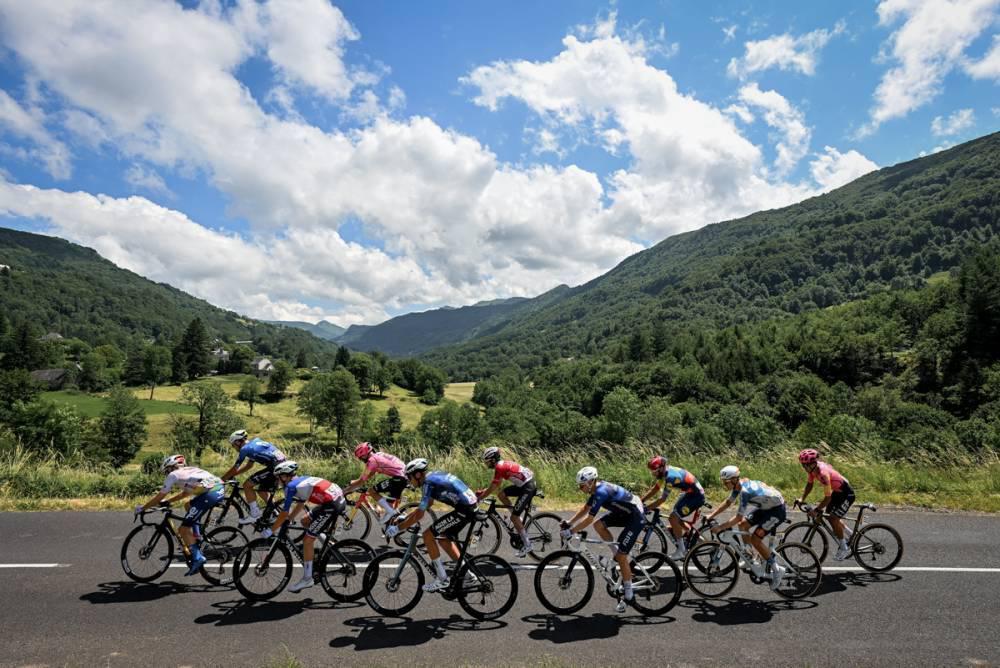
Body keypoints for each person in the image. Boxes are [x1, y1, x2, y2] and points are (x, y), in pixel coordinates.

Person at [385, 459, 478, 593]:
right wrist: (407, 518)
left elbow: (419, 515)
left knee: (428, 535)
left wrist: (398, 528)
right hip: (469, 507)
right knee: (444, 539)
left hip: (464, 510)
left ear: (417, 475)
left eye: (409, 478)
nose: (409, 481)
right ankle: (468, 575)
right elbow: (427, 504)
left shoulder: (427, 484)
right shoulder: (432, 478)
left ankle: (442, 579)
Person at [561, 466, 644, 613]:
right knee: (599, 525)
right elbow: (585, 509)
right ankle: (615, 557)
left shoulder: (601, 492)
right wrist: (570, 522)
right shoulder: (595, 490)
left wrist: (571, 531)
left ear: (591, 482)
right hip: (624, 512)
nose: (580, 488)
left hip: (635, 516)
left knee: (622, 556)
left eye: (582, 485)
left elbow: (588, 518)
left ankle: (629, 594)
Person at [135, 454, 225, 576]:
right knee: (188, 506)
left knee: (183, 529)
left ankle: (198, 558)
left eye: (166, 471)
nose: (167, 474)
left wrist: (143, 508)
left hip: (210, 494)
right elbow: (185, 494)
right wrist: (168, 501)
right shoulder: (189, 471)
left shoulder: (174, 474)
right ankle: (197, 536)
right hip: (218, 489)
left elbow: (160, 496)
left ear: (172, 467)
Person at [266, 461, 346, 593]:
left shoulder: (291, 487)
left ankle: (307, 578)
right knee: (304, 521)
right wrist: (290, 519)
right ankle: (329, 544)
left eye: (278, 477)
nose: (277, 480)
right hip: (334, 499)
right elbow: (301, 503)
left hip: (332, 505)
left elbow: (283, 513)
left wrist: (271, 530)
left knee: (307, 540)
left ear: (285, 476)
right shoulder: (299, 481)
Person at [705, 466, 787, 591]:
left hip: (776, 511)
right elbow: (728, 503)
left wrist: (720, 527)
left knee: (756, 539)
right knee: (743, 525)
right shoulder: (739, 484)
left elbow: (738, 517)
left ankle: (777, 569)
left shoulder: (744, 492)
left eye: (726, 482)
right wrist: (712, 515)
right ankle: (750, 556)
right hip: (766, 507)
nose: (724, 484)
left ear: (733, 480)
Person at [641, 455, 706, 561]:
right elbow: (655, 489)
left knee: (673, 518)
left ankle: (681, 551)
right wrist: (641, 500)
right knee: (676, 516)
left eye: (655, 471)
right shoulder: (664, 473)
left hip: (696, 497)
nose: (653, 474)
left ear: (661, 468)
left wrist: (646, 509)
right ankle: (696, 538)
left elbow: (662, 500)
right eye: (652, 472)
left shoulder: (670, 477)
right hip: (690, 493)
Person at [475, 446, 537, 558]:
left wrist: (481, 497)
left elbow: (493, 486)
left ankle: (528, 544)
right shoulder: (501, 465)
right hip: (525, 484)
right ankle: (518, 519)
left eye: (487, 462)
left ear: (493, 460)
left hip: (528, 487)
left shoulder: (499, 467)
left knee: (513, 518)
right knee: (501, 494)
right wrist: (484, 491)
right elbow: (496, 485)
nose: (487, 464)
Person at [796, 447, 856, 560]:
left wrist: (816, 510)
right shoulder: (813, 470)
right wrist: (801, 498)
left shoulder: (823, 474)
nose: (804, 467)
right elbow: (809, 485)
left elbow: (827, 498)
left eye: (806, 465)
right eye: (803, 465)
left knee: (833, 518)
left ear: (813, 463)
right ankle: (851, 534)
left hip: (847, 494)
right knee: (830, 516)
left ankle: (844, 548)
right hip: (838, 492)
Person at [218, 429, 287, 526]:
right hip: (280, 465)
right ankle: (275, 513)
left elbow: (235, 467)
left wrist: (222, 479)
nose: (234, 447)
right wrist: (234, 475)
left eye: (233, 445)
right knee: (262, 491)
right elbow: (249, 466)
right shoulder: (254, 444)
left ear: (238, 442)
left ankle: (255, 514)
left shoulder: (245, 449)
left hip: (275, 468)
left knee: (247, 485)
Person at [341, 442, 407, 529]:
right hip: (404, 475)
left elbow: (361, 481)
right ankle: (392, 527)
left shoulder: (372, 461)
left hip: (399, 478)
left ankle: (392, 513)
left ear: (365, 454)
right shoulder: (378, 455)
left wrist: (348, 486)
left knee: (371, 491)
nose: (361, 460)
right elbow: (369, 475)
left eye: (361, 458)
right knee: (389, 505)